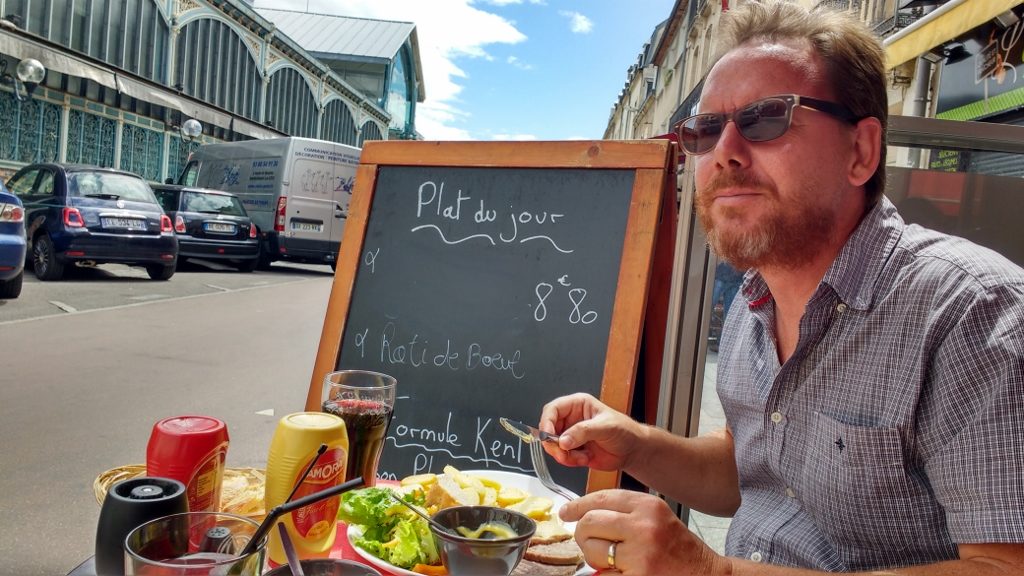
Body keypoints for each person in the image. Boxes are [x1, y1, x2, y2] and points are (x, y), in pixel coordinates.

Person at [539, 1, 1024, 574]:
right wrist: (638, 445)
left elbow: (1001, 566)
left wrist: (708, 570)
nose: (724, 153)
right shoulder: (755, 298)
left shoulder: (972, 311)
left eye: (767, 118)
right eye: (704, 129)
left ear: (861, 151)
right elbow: (752, 469)